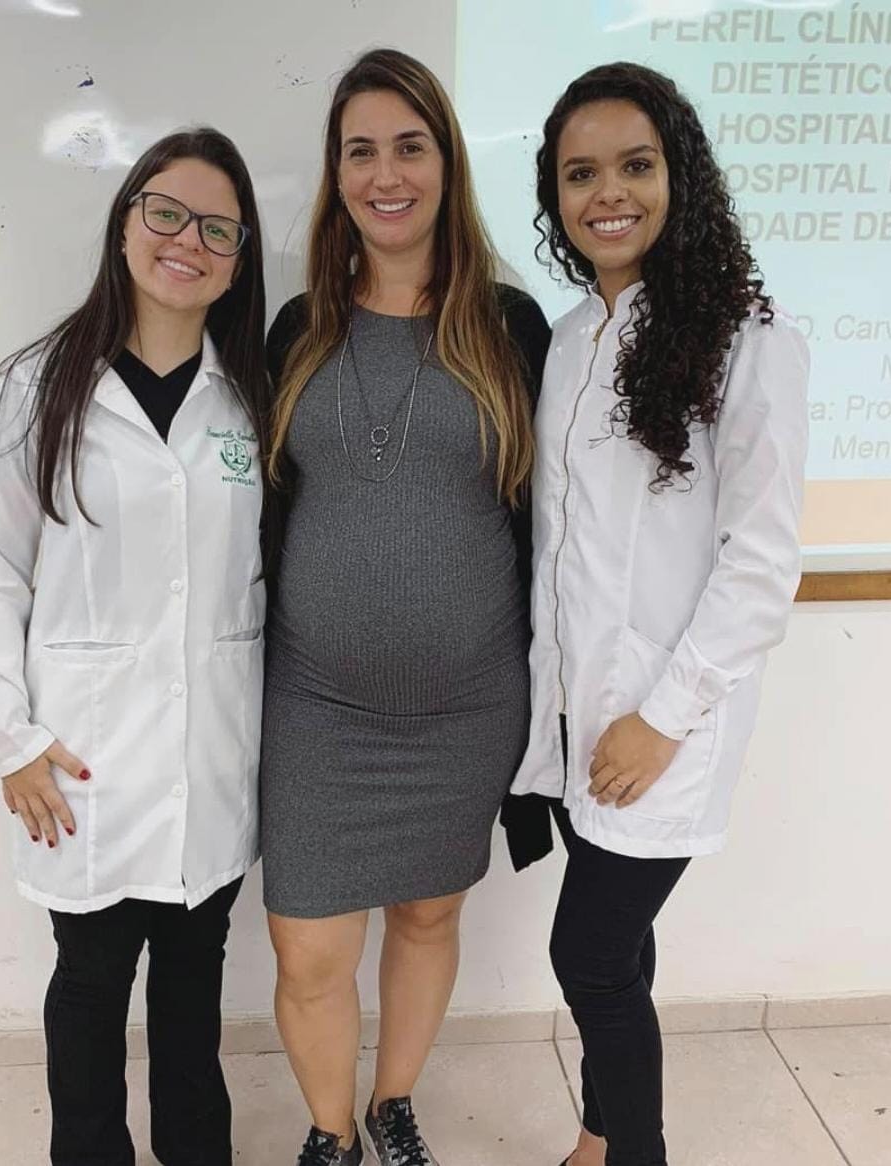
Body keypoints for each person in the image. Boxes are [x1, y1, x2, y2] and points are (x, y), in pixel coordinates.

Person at [503, 62, 809, 1166]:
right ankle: (600, 1133)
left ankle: (636, 1151)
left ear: (681, 173)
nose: (608, 193)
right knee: (619, 953)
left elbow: (763, 564)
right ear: (555, 192)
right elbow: (561, 552)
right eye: (580, 173)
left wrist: (662, 716)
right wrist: (557, 722)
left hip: (662, 725)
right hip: (585, 719)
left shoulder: (747, 336)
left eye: (635, 164)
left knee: (587, 953)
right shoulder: (574, 338)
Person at [260, 47, 550, 1166]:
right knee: (309, 953)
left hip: (465, 707)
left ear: (447, 161)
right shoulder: (295, 329)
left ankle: (392, 1104)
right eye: (361, 150)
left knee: (430, 917)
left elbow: (549, 522)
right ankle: (330, 1131)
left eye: (410, 145)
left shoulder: (513, 330)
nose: (388, 173)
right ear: (337, 175)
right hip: (318, 706)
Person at [0, 127, 268, 1166]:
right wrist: (11, 739)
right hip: (82, 765)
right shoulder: (34, 386)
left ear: (240, 254)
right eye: (166, 212)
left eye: (218, 226)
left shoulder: (254, 395)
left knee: (192, 1004)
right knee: (89, 995)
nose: (190, 240)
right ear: (126, 221)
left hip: (211, 763)